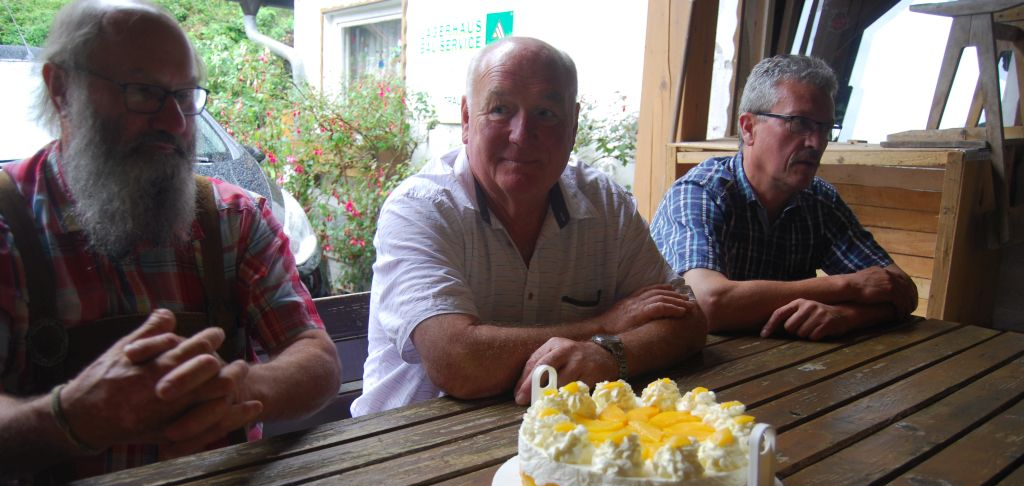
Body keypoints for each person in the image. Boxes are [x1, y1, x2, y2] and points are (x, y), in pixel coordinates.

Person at [0, 0, 340, 486]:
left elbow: (316, 358)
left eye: (184, 96)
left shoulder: (233, 218)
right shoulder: (9, 225)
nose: (177, 123)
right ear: (62, 89)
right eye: (144, 93)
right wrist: (69, 416)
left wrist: (241, 386)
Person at [351, 36, 706, 416]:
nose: (521, 135)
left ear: (573, 124)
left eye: (546, 113)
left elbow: (688, 320)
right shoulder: (420, 207)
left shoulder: (606, 204)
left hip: (558, 435)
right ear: (467, 119)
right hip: (408, 440)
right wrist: (607, 325)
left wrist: (607, 355)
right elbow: (456, 360)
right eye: (500, 110)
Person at [649, 54, 918, 341]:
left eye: (825, 128)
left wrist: (846, 316)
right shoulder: (700, 193)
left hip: (783, 360)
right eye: (799, 123)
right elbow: (708, 303)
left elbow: (901, 289)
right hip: (687, 362)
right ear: (748, 128)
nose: (816, 142)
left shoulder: (819, 200)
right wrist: (848, 286)